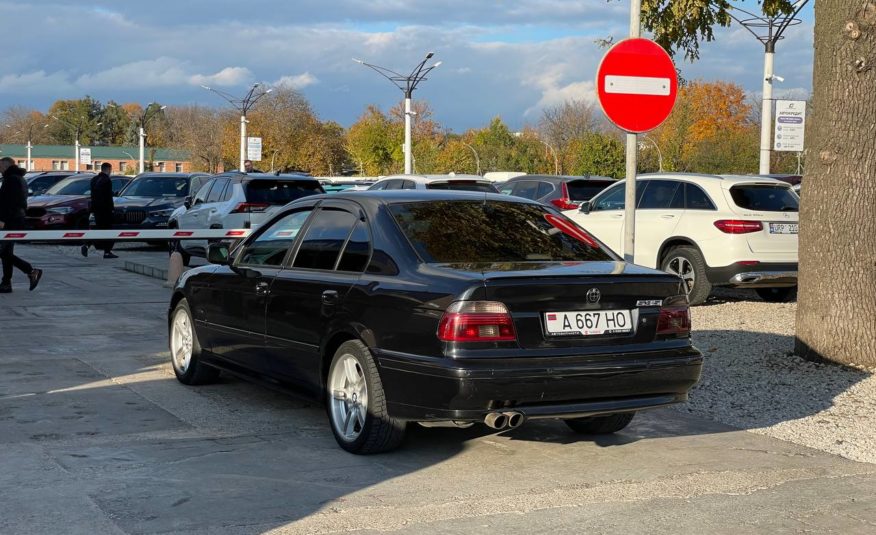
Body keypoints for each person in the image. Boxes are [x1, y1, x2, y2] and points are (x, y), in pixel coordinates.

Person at [0, 157, 42, 293]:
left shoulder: (11, 179)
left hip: (10, 219)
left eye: (0, 166)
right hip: (15, 218)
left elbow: (9, 202)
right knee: (6, 252)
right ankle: (6, 283)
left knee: (3, 251)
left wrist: (2, 219)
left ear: (5, 166)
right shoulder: (19, 178)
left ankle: (30, 270)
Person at [82, 162, 118, 259]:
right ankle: (107, 252)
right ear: (108, 169)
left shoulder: (94, 179)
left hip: (95, 209)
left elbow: (93, 195)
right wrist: (112, 209)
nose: (111, 172)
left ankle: (87, 244)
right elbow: (108, 197)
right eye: (110, 170)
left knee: (97, 229)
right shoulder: (107, 180)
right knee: (109, 231)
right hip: (105, 210)